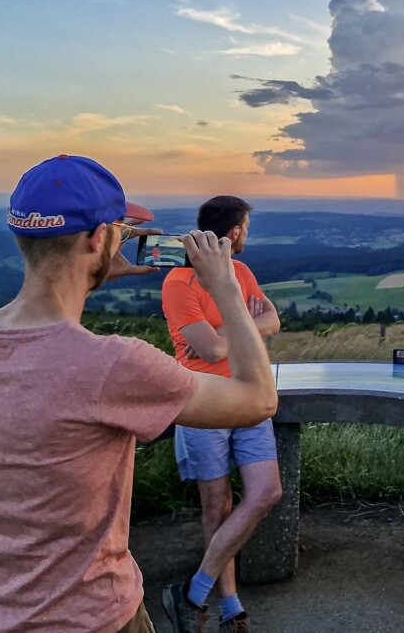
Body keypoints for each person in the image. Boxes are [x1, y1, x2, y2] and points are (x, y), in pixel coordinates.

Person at [0, 155, 277, 633]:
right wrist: (225, 286)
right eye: (123, 232)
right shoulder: (114, 365)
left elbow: (41, 353)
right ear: (97, 238)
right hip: (90, 617)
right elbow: (257, 399)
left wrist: (92, 273)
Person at [160, 196, 281, 633]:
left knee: (266, 493)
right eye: (246, 226)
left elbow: (272, 321)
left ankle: (193, 592)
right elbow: (211, 351)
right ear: (234, 232)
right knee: (217, 505)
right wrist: (243, 329)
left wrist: (220, 335)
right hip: (203, 401)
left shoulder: (241, 272)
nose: (247, 234)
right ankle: (229, 604)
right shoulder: (178, 282)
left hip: (249, 393)